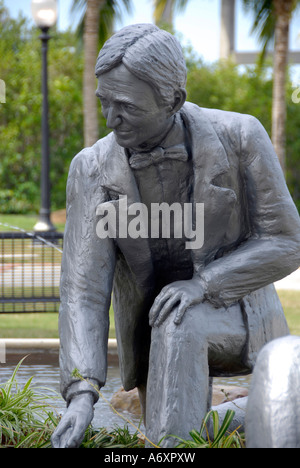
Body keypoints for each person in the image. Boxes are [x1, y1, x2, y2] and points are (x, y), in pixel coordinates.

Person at [51, 23, 300, 448]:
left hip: (238, 314)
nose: (112, 120)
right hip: (152, 339)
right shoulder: (91, 168)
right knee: (171, 328)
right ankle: (222, 421)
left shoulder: (240, 138)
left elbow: (287, 241)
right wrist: (80, 394)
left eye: (126, 106)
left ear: (174, 100)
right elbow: (84, 289)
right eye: (104, 103)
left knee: (179, 320)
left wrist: (204, 285)